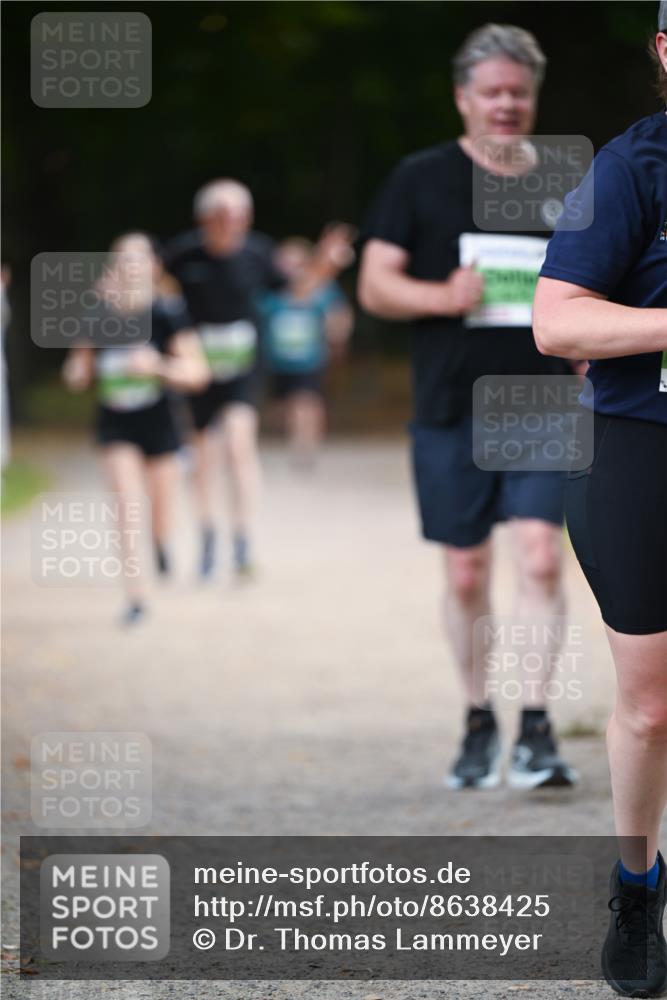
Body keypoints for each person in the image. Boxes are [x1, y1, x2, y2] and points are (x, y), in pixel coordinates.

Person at [358, 23, 578, 790]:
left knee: (542, 557)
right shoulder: (417, 179)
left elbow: (597, 282)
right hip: (450, 402)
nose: (506, 104)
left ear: (533, 95)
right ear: (463, 98)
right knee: (464, 572)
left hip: (544, 401)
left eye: (518, 91)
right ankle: (478, 718)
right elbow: (374, 284)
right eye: (491, 92)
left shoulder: (565, 182)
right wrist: (438, 295)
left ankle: (538, 729)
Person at [533, 4, 667, 993]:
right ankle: (635, 884)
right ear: (664, 50)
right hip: (642, 449)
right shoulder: (627, 168)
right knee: (652, 704)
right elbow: (556, 320)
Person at [164, 180, 354, 578]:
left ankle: (243, 537)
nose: (235, 224)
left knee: (238, 443)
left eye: (242, 216)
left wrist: (325, 262)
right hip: (198, 370)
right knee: (204, 457)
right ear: (206, 219)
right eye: (226, 216)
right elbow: (156, 292)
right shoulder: (183, 255)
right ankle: (207, 534)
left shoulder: (258, 253)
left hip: (243, 367)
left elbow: (297, 289)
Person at [63, 232, 209, 626]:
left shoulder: (166, 313)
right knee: (127, 506)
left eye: (138, 260)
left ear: (153, 267)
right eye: (121, 260)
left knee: (160, 513)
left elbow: (198, 373)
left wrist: (157, 367)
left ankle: (161, 543)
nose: (129, 268)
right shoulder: (98, 315)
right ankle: (136, 596)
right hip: (115, 426)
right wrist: (79, 362)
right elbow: (77, 373)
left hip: (160, 424)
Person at [258, 237, 354, 467]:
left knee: (307, 402)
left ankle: (305, 446)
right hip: (278, 360)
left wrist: (337, 338)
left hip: (311, 358)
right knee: (285, 406)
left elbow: (339, 314)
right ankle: (297, 439)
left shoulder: (322, 290)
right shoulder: (271, 291)